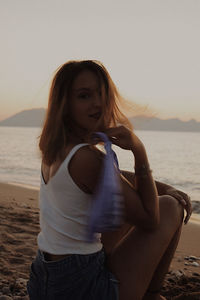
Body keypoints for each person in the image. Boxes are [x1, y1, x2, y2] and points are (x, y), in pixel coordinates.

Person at [27, 60, 192, 300]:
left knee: (129, 205)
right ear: (66, 105)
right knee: (169, 207)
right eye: (84, 96)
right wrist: (138, 149)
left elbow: (116, 180)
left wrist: (166, 187)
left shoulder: (59, 148)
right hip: (80, 286)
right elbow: (149, 218)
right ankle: (152, 294)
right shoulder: (88, 159)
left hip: (45, 276)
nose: (98, 103)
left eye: (102, 94)